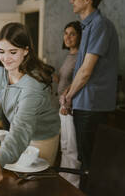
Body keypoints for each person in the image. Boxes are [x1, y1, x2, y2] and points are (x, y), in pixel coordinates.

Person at [0, 22, 60, 191]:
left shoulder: (32, 87)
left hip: (41, 138)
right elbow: (2, 97)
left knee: (32, 187)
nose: (6, 58)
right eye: (1, 51)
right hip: (19, 132)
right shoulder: (2, 70)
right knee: (13, 182)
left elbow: (21, 129)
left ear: (26, 50)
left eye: (13, 52)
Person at [60, 0, 119, 190]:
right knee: (83, 160)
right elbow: (80, 69)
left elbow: (86, 72)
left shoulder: (100, 25)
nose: (71, 1)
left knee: (89, 164)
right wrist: (68, 91)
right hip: (84, 103)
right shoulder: (88, 26)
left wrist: (68, 96)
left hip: (92, 105)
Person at [56, 21, 82, 187]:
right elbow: (67, 79)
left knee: (71, 148)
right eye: (66, 33)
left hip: (70, 106)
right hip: (62, 106)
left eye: (72, 33)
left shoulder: (81, 57)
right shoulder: (70, 56)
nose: (68, 37)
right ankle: (65, 177)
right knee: (64, 146)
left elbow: (79, 83)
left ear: (80, 36)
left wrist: (67, 104)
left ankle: (73, 183)